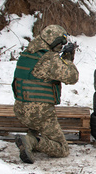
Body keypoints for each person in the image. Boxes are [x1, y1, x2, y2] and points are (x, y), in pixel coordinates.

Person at [12, 25, 79, 164]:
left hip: (20, 109)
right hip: (39, 113)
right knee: (62, 149)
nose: (61, 47)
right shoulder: (48, 60)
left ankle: (31, 138)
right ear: (54, 42)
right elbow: (72, 77)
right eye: (60, 43)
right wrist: (67, 59)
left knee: (38, 124)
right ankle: (32, 141)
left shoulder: (27, 54)